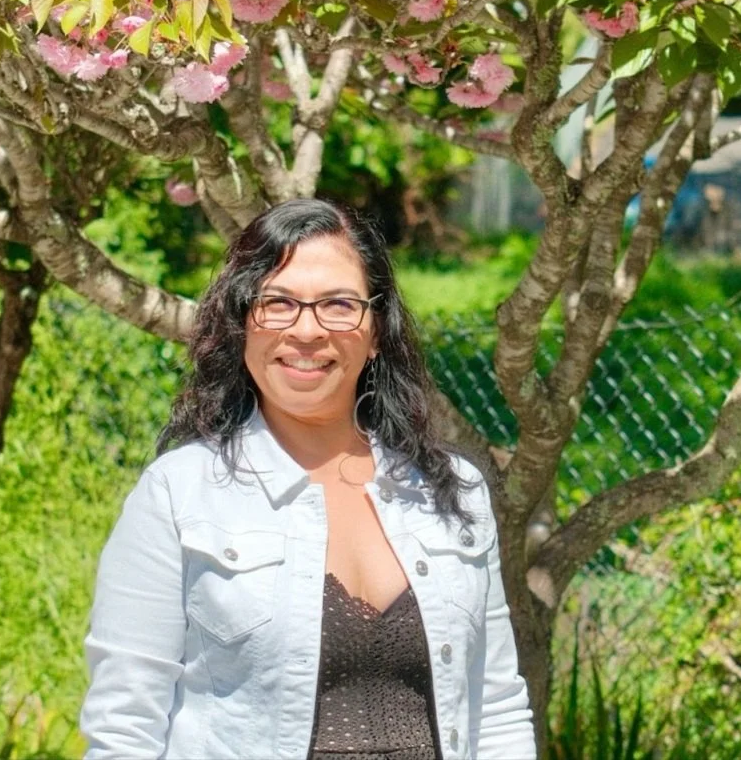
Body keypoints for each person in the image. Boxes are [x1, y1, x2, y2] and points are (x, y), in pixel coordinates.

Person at [80, 199, 536, 760]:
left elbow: (496, 709)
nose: (307, 330)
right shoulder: (179, 493)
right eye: (278, 303)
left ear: (375, 333)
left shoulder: (452, 491)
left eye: (339, 305)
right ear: (243, 322)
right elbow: (125, 729)